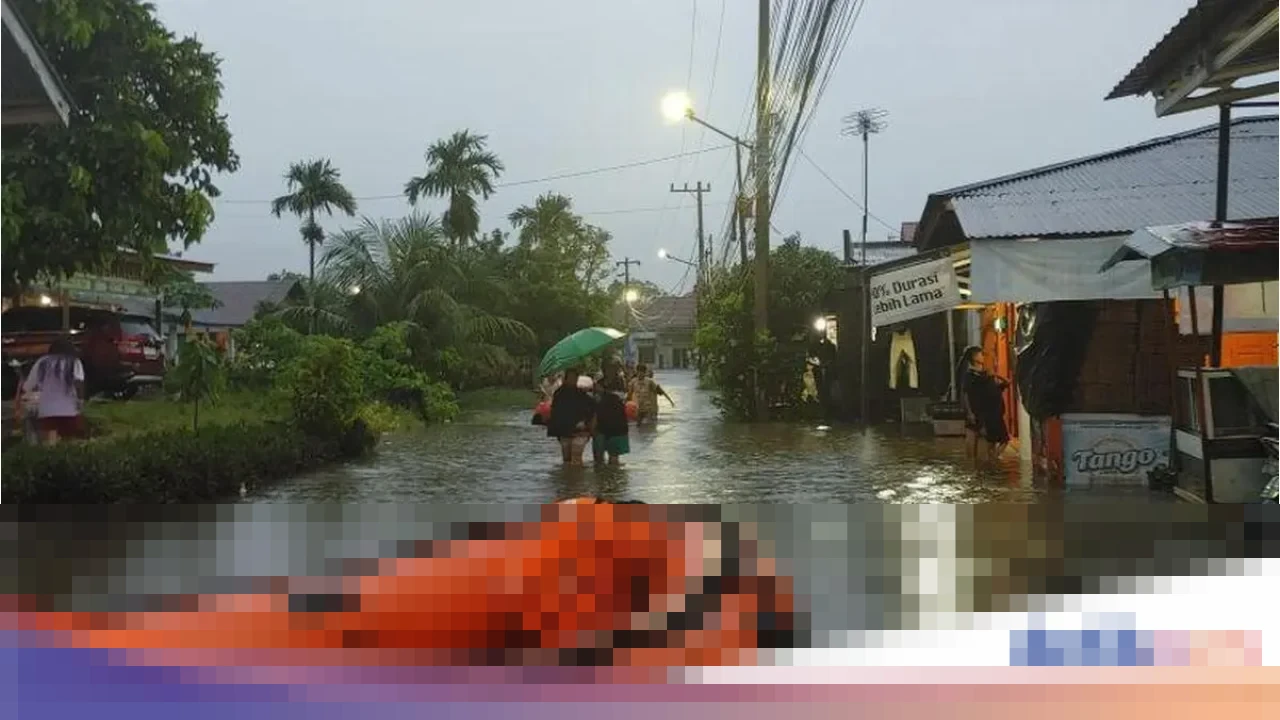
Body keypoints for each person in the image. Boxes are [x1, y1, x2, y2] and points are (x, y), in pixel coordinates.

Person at [22, 338, 86, 445]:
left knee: (49, 444)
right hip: (69, 410)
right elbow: (79, 383)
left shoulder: (42, 362)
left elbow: (28, 386)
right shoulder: (74, 362)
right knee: (70, 443)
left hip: (47, 410)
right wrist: (80, 401)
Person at [957, 346, 1010, 465]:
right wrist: (970, 412)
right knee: (975, 439)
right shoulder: (970, 376)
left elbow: (1002, 385)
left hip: (992, 412)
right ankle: (979, 464)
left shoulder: (986, 375)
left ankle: (989, 462)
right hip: (979, 411)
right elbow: (966, 394)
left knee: (992, 441)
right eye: (980, 354)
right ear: (975, 357)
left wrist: (995, 375)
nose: (983, 357)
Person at [547, 367, 596, 465]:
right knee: (566, 459)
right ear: (566, 378)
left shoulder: (582, 394)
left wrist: (586, 423)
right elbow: (555, 413)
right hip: (564, 430)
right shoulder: (559, 394)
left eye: (575, 378)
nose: (573, 380)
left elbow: (591, 409)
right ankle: (569, 478)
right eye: (571, 378)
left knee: (576, 457)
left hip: (580, 430)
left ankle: (576, 478)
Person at [591, 376, 630, 466]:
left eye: (596, 386)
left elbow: (595, 415)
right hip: (614, 430)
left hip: (605, 430)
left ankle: (604, 476)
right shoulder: (618, 398)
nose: (595, 387)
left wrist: (592, 430)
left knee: (600, 460)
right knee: (612, 459)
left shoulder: (601, 399)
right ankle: (611, 476)